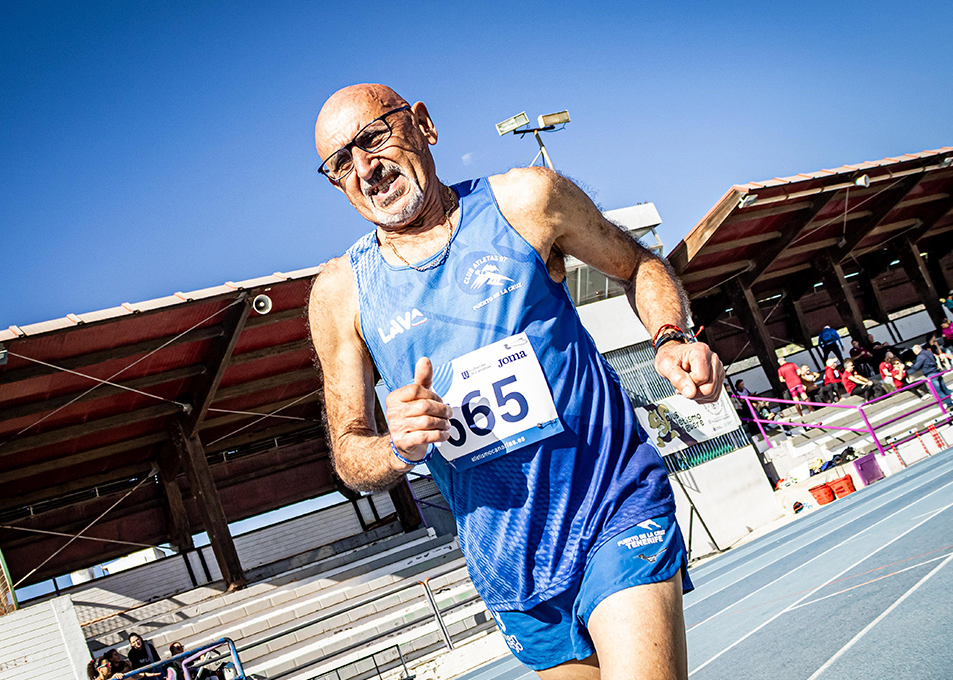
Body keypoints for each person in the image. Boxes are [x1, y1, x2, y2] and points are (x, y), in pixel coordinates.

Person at [309, 83, 726, 678]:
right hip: (512, 565)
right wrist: (396, 447)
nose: (365, 169)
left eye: (373, 138)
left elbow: (639, 264)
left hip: (614, 505)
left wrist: (670, 337)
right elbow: (350, 454)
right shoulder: (339, 294)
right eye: (340, 165)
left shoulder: (527, 200)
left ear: (423, 124)